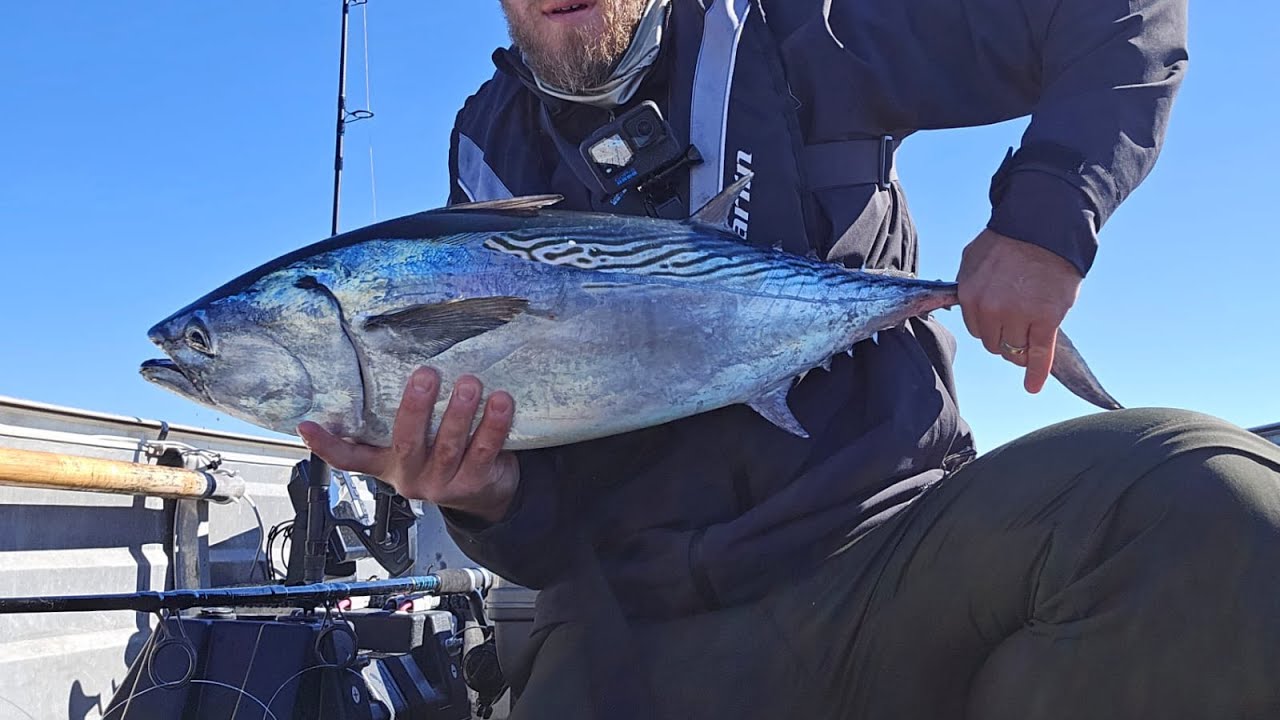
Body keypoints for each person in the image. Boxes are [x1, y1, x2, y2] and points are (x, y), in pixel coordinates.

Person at [298, 0, 1280, 717]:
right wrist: (483, 496)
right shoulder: (483, 152)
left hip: (879, 552)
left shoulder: (799, 28)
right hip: (621, 621)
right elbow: (543, 534)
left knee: (1205, 496)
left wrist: (1044, 220)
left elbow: (1117, 12)